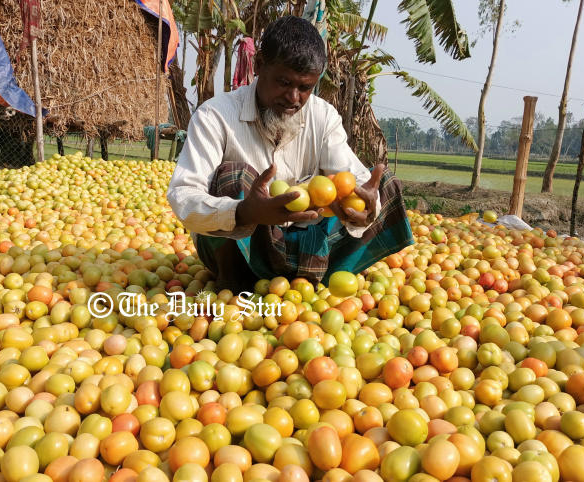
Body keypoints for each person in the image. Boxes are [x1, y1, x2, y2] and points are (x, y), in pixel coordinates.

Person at [166, 15, 414, 293]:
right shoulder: (215, 116)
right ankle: (233, 283)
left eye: (305, 87)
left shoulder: (323, 116)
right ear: (259, 65)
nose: (293, 98)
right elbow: (183, 196)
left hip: (308, 249)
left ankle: (308, 280)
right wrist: (244, 211)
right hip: (243, 247)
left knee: (385, 188)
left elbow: (353, 177)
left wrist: (364, 208)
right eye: (283, 82)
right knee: (233, 176)